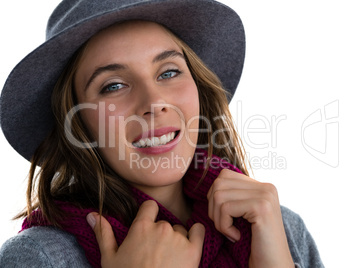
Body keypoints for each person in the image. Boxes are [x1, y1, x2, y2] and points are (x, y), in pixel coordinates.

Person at [0, 0, 324, 267]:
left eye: (168, 72)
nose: (155, 103)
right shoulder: (38, 258)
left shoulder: (278, 228)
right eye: (113, 85)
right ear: (77, 124)